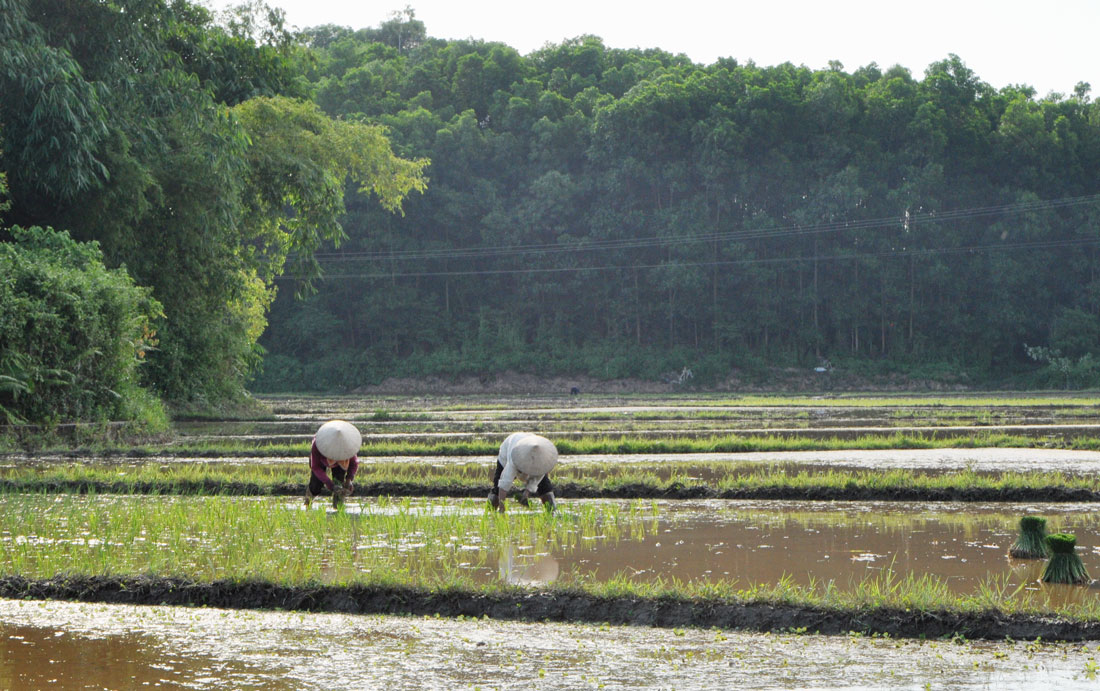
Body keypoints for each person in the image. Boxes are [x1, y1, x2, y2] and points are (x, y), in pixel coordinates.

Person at [489, 432, 558, 513]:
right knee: (497, 491)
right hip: (508, 449)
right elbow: (503, 485)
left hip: (530, 445)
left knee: (545, 488)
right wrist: (502, 509)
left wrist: (526, 493)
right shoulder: (514, 458)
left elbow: (537, 478)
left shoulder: (542, 460)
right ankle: (489, 513)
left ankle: (552, 513)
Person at [307, 419, 361, 508]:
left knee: (339, 483)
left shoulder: (347, 447)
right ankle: (307, 503)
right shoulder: (318, 445)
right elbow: (315, 467)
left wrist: (349, 480)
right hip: (321, 460)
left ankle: (338, 507)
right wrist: (330, 484)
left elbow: (354, 463)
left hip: (341, 463)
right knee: (316, 484)